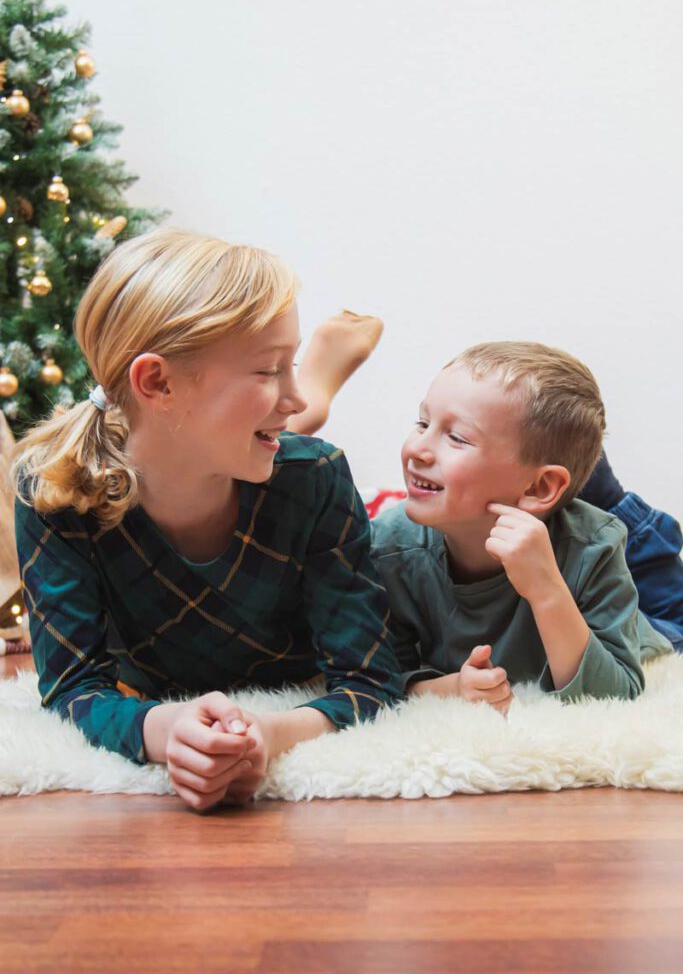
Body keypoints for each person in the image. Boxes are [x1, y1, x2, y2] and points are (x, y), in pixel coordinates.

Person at [13, 228, 402, 811]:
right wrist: (166, 728)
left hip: (281, 485)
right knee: (294, 423)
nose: (288, 397)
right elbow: (72, 689)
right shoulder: (55, 495)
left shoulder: (317, 477)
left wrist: (272, 733)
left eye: (290, 367)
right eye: (269, 371)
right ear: (158, 382)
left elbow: (370, 682)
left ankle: (306, 379)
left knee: (299, 434)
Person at [369, 342, 680, 713]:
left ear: (538, 488)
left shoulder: (595, 543)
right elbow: (378, 679)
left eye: (457, 437)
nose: (418, 448)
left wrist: (546, 587)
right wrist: (451, 686)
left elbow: (613, 696)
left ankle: (597, 484)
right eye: (422, 422)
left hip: (651, 620)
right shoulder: (387, 546)